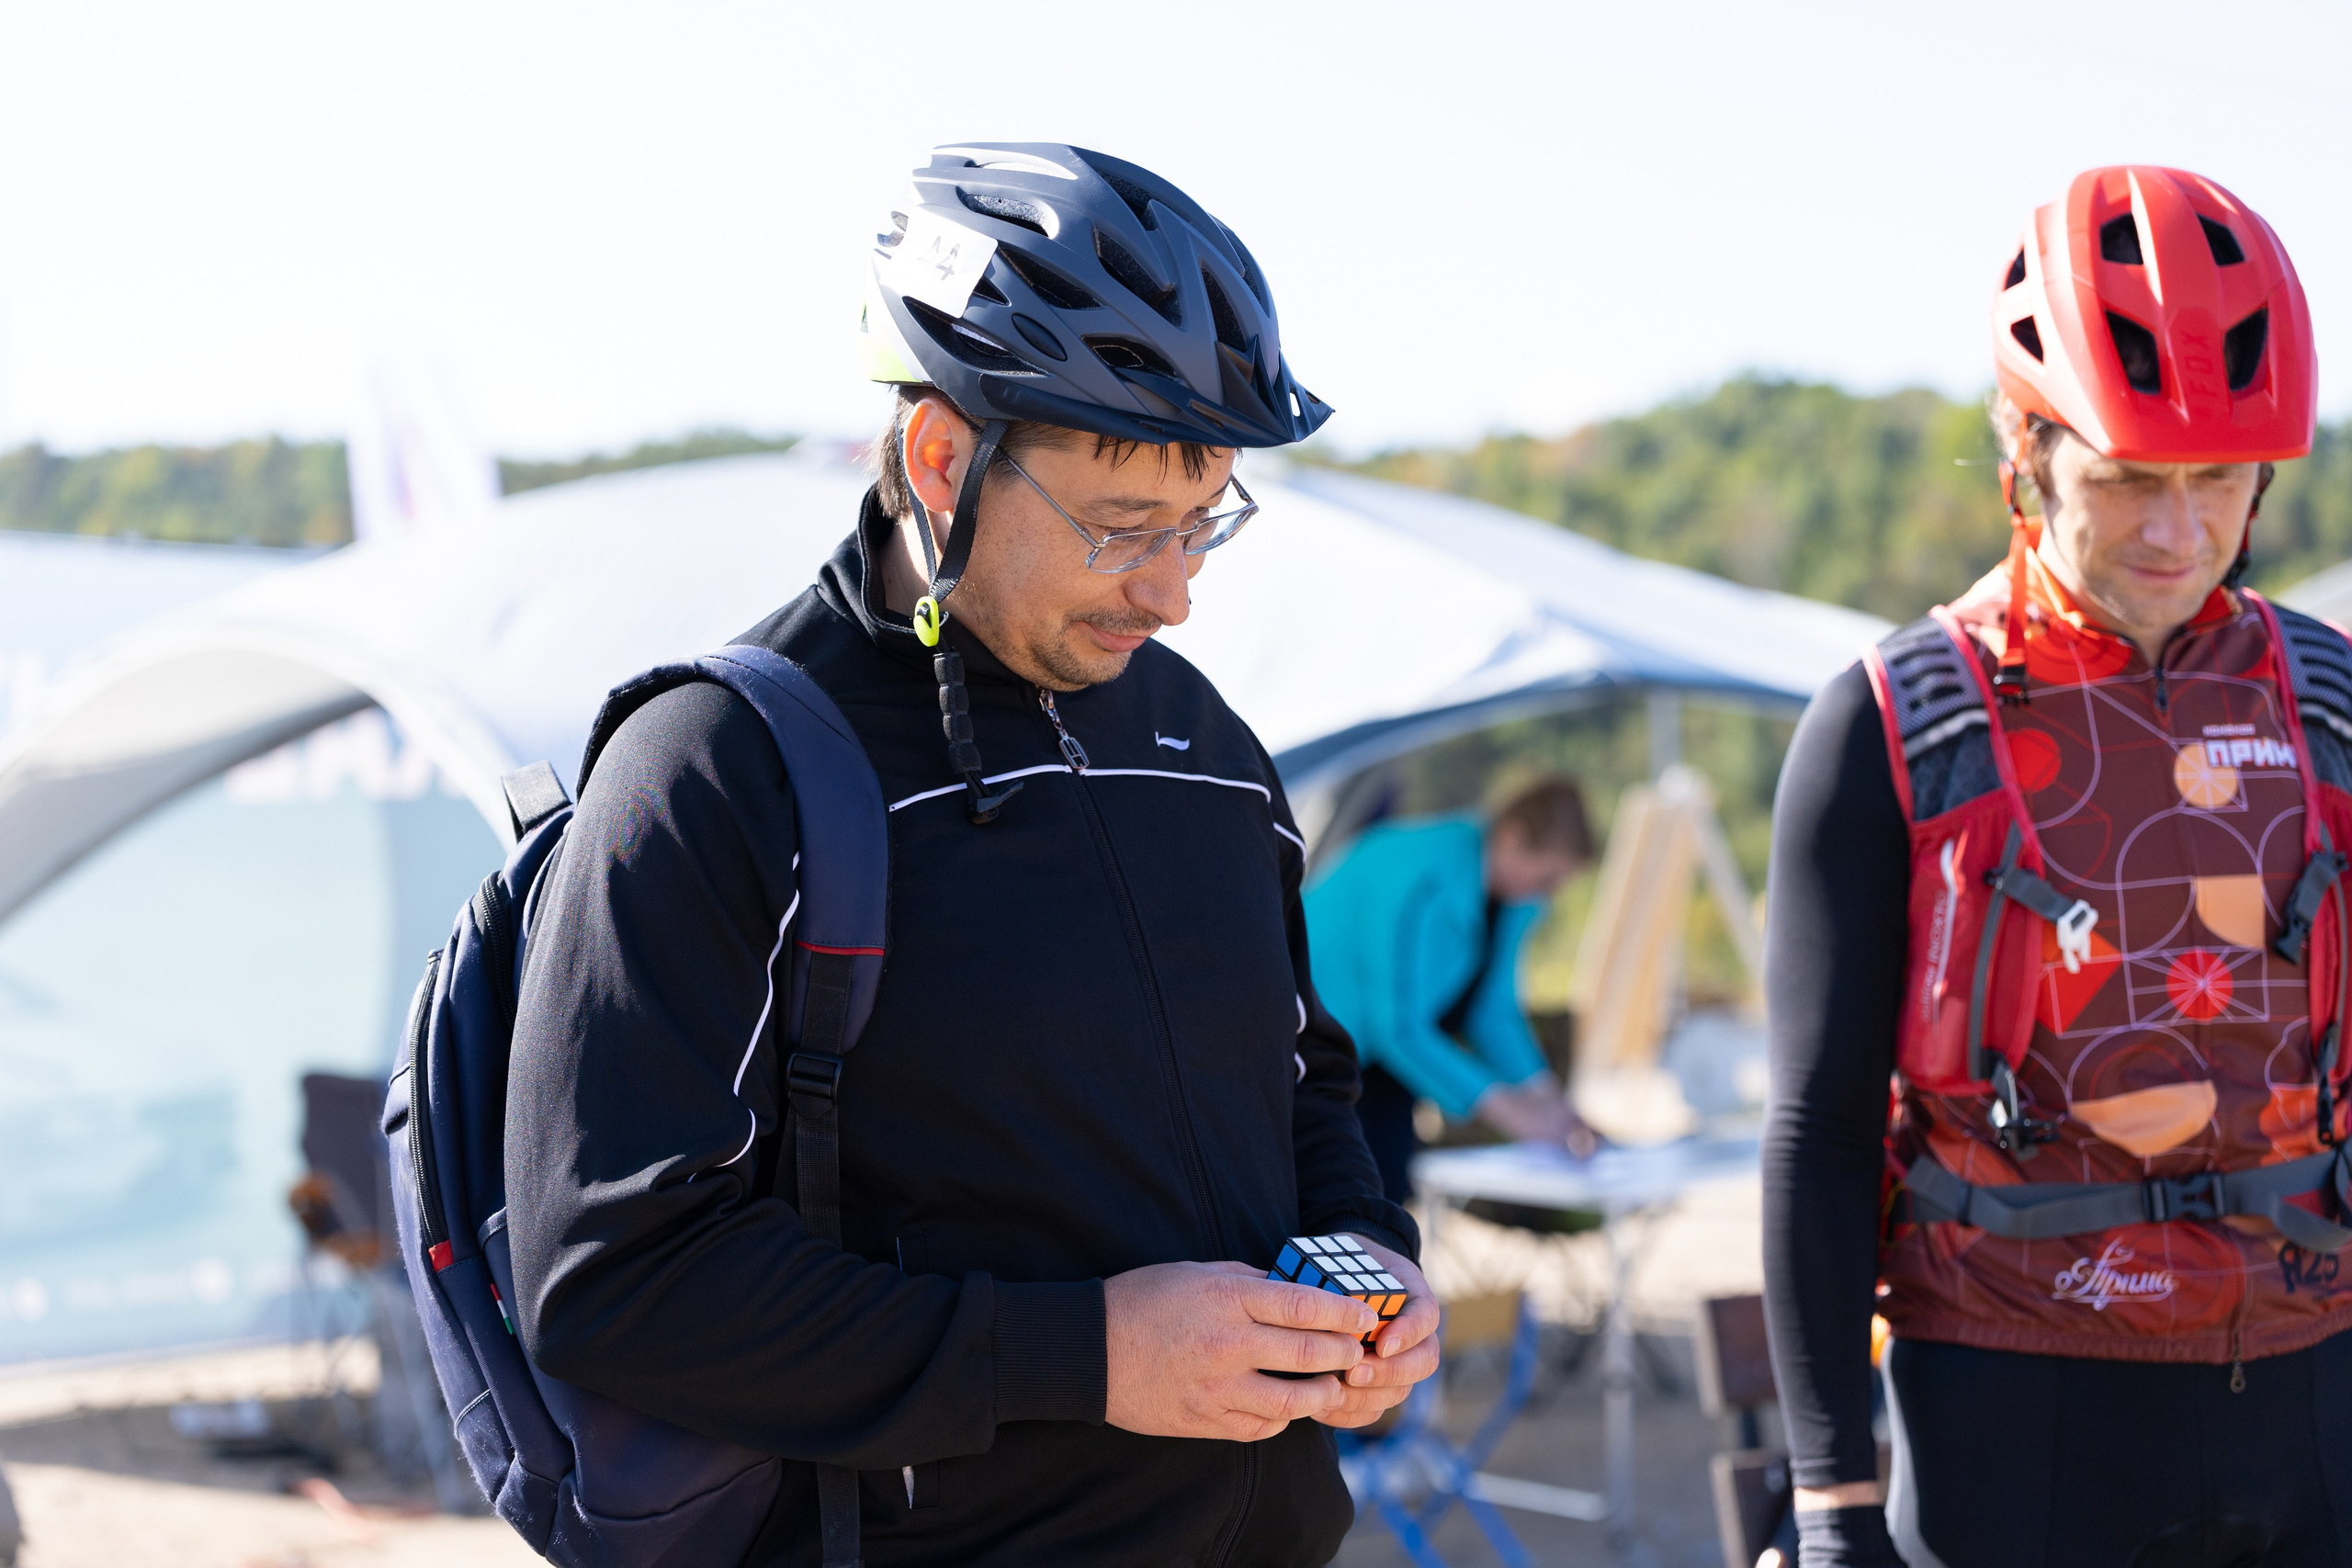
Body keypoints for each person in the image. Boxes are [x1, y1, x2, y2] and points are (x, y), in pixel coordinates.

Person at [503, 142, 1441, 1567]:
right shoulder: (712, 768)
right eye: (1127, 527)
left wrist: (1369, 1258)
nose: (1178, 591)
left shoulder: (1207, 747)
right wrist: (1091, 1352)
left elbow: (1301, 1079)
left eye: (1208, 522)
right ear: (942, 459)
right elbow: (616, 1280)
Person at [1764, 164, 2345, 1567]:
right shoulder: (1893, 721)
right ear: (2025, 451)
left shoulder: (2328, 702)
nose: (2178, 530)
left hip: (2318, 1393)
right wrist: (1835, 1503)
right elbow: (1818, 1135)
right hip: (2016, 1407)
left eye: (2220, 480)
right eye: (2130, 479)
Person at [1306, 777, 1599, 1204]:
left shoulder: (1515, 896)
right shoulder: (1418, 875)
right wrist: (1512, 1113)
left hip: (1382, 1066)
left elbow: (1493, 1010)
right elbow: (1398, 1028)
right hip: (1311, 1053)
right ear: (1513, 837)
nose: (1549, 895)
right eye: (1548, 878)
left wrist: (1552, 1103)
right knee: (1337, 1203)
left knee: (1385, 1195)